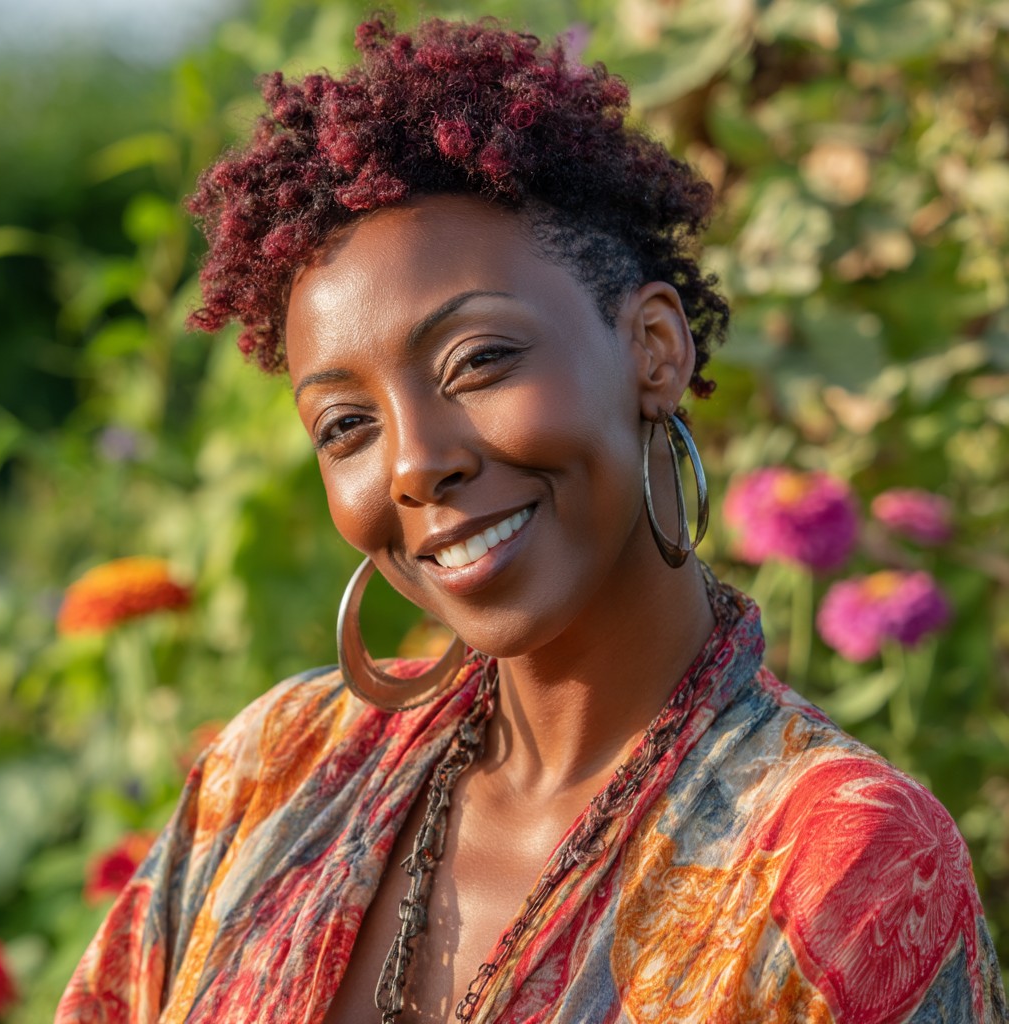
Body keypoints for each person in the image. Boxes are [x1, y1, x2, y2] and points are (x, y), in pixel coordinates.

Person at [56, 17, 1006, 1024]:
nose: (417, 462)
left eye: (479, 361)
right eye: (345, 424)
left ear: (651, 349)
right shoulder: (271, 773)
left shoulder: (843, 868)